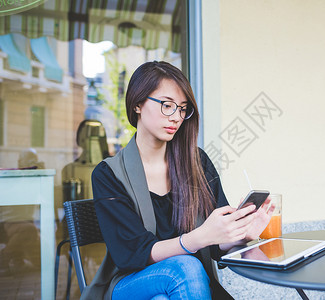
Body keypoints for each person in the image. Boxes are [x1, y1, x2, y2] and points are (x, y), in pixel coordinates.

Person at [87, 61, 274, 300]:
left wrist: (241, 233)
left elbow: (216, 245)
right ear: (137, 105)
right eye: (167, 105)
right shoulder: (109, 175)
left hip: (185, 286)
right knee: (186, 267)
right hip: (131, 283)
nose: (176, 116)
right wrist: (200, 237)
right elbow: (134, 255)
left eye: (182, 108)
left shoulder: (198, 163)